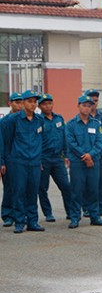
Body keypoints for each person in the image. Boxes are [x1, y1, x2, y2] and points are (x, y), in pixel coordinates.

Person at [3, 90, 45, 234]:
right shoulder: (12, 120)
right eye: (29, 101)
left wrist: (38, 158)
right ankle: (19, 222)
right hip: (18, 162)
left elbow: (41, 140)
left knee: (32, 192)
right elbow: (7, 141)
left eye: (35, 102)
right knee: (19, 192)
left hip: (34, 162)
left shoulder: (39, 120)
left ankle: (32, 221)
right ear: (23, 102)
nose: (33, 104)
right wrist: (8, 160)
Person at [66, 95, 102, 229]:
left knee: (93, 190)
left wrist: (91, 155)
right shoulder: (71, 124)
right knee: (76, 191)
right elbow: (71, 143)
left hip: (93, 162)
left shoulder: (96, 124)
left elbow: (99, 142)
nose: (86, 108)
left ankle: (95, 216)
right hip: (77, 163)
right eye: (84, 105)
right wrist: (85, 156)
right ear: (78, 106)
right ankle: (74, 218)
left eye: (89, 105)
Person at [38, 93, 72, 222]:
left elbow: (64, 138)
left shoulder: (59, 118)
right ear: (40, 106)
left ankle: (70, 211)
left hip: (57, 159)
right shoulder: (38, 120)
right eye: (45, 104)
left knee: (66, 186)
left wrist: (67, 155)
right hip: (43, 159)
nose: (48, 106)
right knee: (42, 188)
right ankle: (48, 213)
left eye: (50, 103)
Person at [84, 89, 102, 217]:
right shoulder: (82, 118)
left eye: (95, 101)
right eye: (91, 101)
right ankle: (87, 207)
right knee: (87, 182)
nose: (94, 103)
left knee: (100, 181)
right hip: (86, 154)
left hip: (100, 153)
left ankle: (101, 207)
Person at [1, 92, 23, 227]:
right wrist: (2, 162)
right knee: (9, 188)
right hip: (9, 159)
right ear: (10, 103)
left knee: (21, 188)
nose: (19, 105)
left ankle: (20, 214)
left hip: (22, 160)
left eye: (21, 102)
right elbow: (1, 143)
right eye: (16, 102)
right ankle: (8, 215)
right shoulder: (4, 121)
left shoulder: (25, 120)